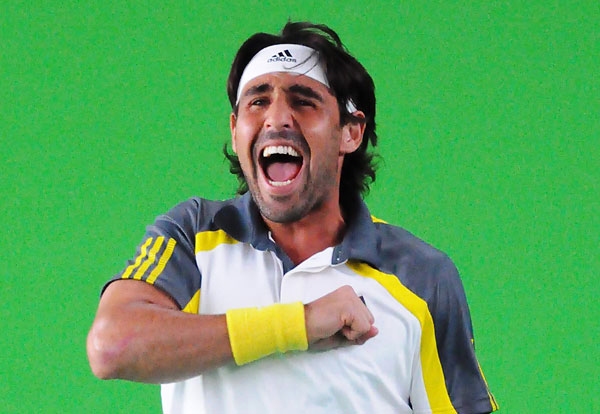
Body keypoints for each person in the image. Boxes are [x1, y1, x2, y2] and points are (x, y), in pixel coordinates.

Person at [87, 21, 498, 414]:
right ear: (236, 130)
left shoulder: (423, 275)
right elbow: (112, 346)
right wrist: (298, 325)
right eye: (258, 101)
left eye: (303, 101)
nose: (277, 117)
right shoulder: (195, 234)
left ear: (350, 132)